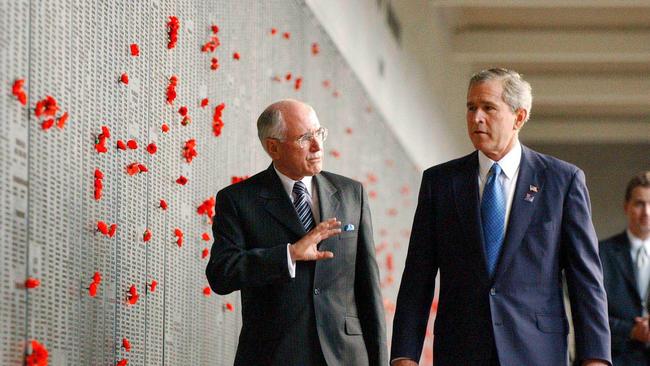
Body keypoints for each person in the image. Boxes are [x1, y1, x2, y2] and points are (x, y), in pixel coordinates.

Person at [390, 68, 611, 366]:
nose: (476, 117)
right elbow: (417, 275)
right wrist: (404, 355)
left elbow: (585, 279)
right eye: (471, 107)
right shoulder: (440, 182)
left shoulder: (562, 181)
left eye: (488, 108)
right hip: (461, 351)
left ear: (519, 117)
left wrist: (595, 358)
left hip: (536, 351)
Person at [206, 99, 388, 365]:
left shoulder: (352, 194)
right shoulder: (239, 200)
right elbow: (221, 273)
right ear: (273, 147)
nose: (317, 146)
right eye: (305, 138)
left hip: (346, 355)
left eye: (319, 133)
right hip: (275, 354)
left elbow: (368, 287)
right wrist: (288, 255)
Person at [599, 172, 650, 365]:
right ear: (626, 207)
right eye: (639, 203)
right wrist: (631, 330)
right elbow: (590, 312)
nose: (646, 212)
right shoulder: (600, 253)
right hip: (615, 358)